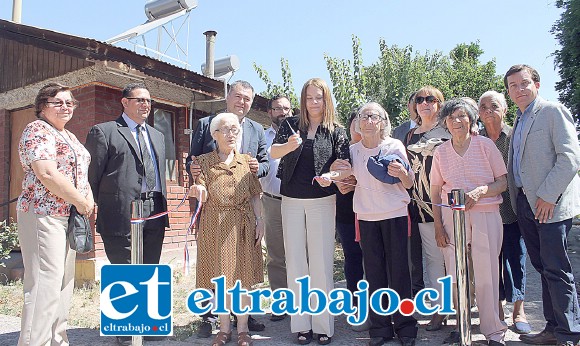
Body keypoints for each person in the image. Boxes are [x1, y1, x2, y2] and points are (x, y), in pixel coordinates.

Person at [325, 102, 418, 346]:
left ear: (383, 122)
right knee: (374, 275)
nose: (367, 120)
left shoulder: (394, 146)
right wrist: (330, 176)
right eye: (363, 116)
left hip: (395, 215)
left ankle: (406, 328)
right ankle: (380, 329)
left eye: (373, 116)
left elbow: (409, 183)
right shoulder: (353, 151)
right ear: (356, 123)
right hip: (366, 219)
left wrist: (402, 173)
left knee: (399, 273)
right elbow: (342, 179)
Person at [85, 82, 168, 345]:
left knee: (150, 266)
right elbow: (93, 178)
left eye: (148, 101)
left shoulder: (157, 135)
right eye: (140, 100)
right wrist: (110, 203)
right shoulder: (105, 132)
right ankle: (125, 326)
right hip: (121, 212)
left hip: (154, 207)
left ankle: (149, 324)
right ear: (125, 102)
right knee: (124, 268)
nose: (146, 105)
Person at [505, 64, 580, 346]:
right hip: (525, 203)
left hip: (549, 204)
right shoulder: (520, 120)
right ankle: (552, 328)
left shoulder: (552, 111)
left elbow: (570, 157)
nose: (519, 89)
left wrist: (548, 195)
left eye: (524, 83)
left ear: (537, 84)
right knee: (543, 267)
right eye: (512, 86)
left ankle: (569, 333)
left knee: (557, 269)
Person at [271, 78, 350, 345]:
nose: (314, 102)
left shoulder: (336, 131)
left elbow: (344, 165)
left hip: (322, 199)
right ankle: (301, 325)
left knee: (321, 262)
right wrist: (289, 146)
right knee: (295, 262)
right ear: (302, 101)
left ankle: (323, 325)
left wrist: (332, 175)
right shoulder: (290, 124)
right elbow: (272, 153)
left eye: (319, 97)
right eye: (309, 98)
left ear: (326, 100)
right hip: (291, 199)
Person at [186, 80, 268, 336]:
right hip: (214, 215)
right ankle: (211, 319)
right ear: (227, 96)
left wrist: (257, 170)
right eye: (238, 96)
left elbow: (263, 164)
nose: (242, 102)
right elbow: (194, 163)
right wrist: (195, 179)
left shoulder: (256, 129)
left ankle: (243, 322)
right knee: (215, 270)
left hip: (243, 213)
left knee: (242, 272)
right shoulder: (205, 125)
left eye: (247, 99)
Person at [16, 83, 94, 345]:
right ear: (42, 106)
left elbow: (80, 174)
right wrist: (81, 200)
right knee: (43, 284)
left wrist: (87, 199)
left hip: (67, 216)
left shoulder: (69, 136)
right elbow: (47, 172)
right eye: (58, 102)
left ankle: (57, 340)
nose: (66, 107)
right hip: (42, 213)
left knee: (63, 282)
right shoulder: (37, 130)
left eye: (70, 102)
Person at [430, 98, 508, 345]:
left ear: (471, 119)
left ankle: (494, 331)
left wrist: (481, 191)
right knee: (455, 274)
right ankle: (461, 327)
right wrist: (438, 225)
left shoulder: (485, 145)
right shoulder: (440, 152)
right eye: (451, 118)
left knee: (487, 273)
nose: (457, 121)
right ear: (445, 123)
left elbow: (503, 183)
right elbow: (434, 191)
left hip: (485, 214)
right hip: (451, 217)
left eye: (462, 116)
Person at [478, 90, 531, 334]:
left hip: (513, 208)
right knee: (490, 263)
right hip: (485, 211)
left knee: (515, 259)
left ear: (505, 109)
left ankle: (519, 309)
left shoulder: (514, 136)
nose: (489, 111)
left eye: (494, 106)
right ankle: (497, 310)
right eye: (484, 107)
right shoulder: (475, 138)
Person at [403, 86, 450, 331]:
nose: (424, 103)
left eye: (430, 99)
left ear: (439, 103)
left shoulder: (449, 129)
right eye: (419, 99)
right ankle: (439, 310)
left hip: (448, 204)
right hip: (421, 206)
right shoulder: (410, 136)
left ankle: (464, 305)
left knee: (456, 258)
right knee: (433, 259)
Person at [332, 109, 366, 331]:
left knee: (375, 259)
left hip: (374, 212)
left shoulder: (378, 147)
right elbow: (333, 177)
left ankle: (379, 305)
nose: (360, 125)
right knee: (353, 258)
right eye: (356, 120)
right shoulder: (340, 149)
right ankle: (356, 305)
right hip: (346, 212)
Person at [260, 94, 291, 322]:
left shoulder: (301, 135)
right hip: (271, 201)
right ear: (269, 112)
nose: (283, 113)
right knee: (276, 255)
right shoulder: (262, 137)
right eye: (278, 109)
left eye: (287, 109)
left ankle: (303, 301)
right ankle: (281, 303)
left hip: (299, 202)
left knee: (303, 254)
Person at [392, 91, 424, 297]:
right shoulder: (399, 131)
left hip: (429, 193)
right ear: (409, 105)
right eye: (416, 101)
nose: (419, 105)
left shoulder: (437, 127)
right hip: (403, 193)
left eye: (424, 101)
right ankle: (414, 287)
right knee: (410, 244)